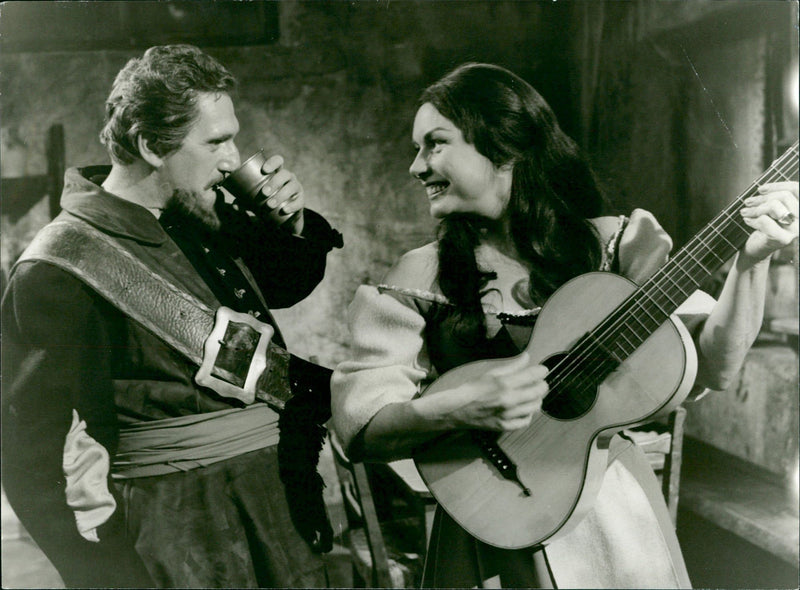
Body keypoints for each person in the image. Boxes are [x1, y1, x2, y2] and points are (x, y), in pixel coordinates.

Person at [330, 62, 798, 588]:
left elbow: (711, 366)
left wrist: (751, 262)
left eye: (435, 144)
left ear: (504, 147)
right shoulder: (417, 279)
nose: (417, 167)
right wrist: (455, 406)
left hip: (616, 526)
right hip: (493, 523)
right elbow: (360, 428)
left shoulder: (616, 247)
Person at [2, 44, 342, 588]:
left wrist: (292, 221)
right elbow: (27, 453)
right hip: (177, 531)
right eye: (216, 142)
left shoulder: (200, 216)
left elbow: (284, 283)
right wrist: (99, 571)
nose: (233, 158)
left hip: (277, 504)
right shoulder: (58, 266)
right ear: (148, 146)